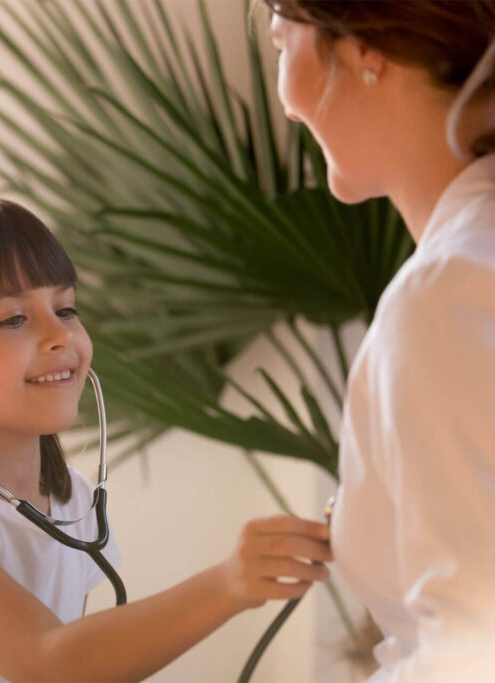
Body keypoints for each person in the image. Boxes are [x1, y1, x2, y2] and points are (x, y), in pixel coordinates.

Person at [0, 189, 333, 682]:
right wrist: (228, 584)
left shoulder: (76, 507)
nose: (59, 335)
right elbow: (52, 661)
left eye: (66, 309)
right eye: (13, 318)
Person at [265, 1, 495, 680]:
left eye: (283, 43)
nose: (284, 101)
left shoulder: (446, 291)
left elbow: (472, 648)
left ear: (366, 47)